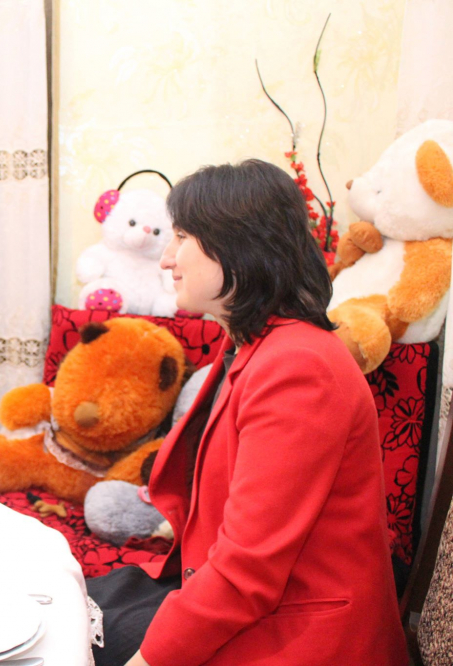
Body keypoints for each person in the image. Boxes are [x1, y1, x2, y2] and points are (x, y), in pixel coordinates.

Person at [86, 159, 407, 665]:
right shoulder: (255, 344)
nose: (166, 259)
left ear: (238, 244)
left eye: (182, 238)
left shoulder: (299, 367)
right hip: (243, 595)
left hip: (300, 634)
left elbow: (249, 569)